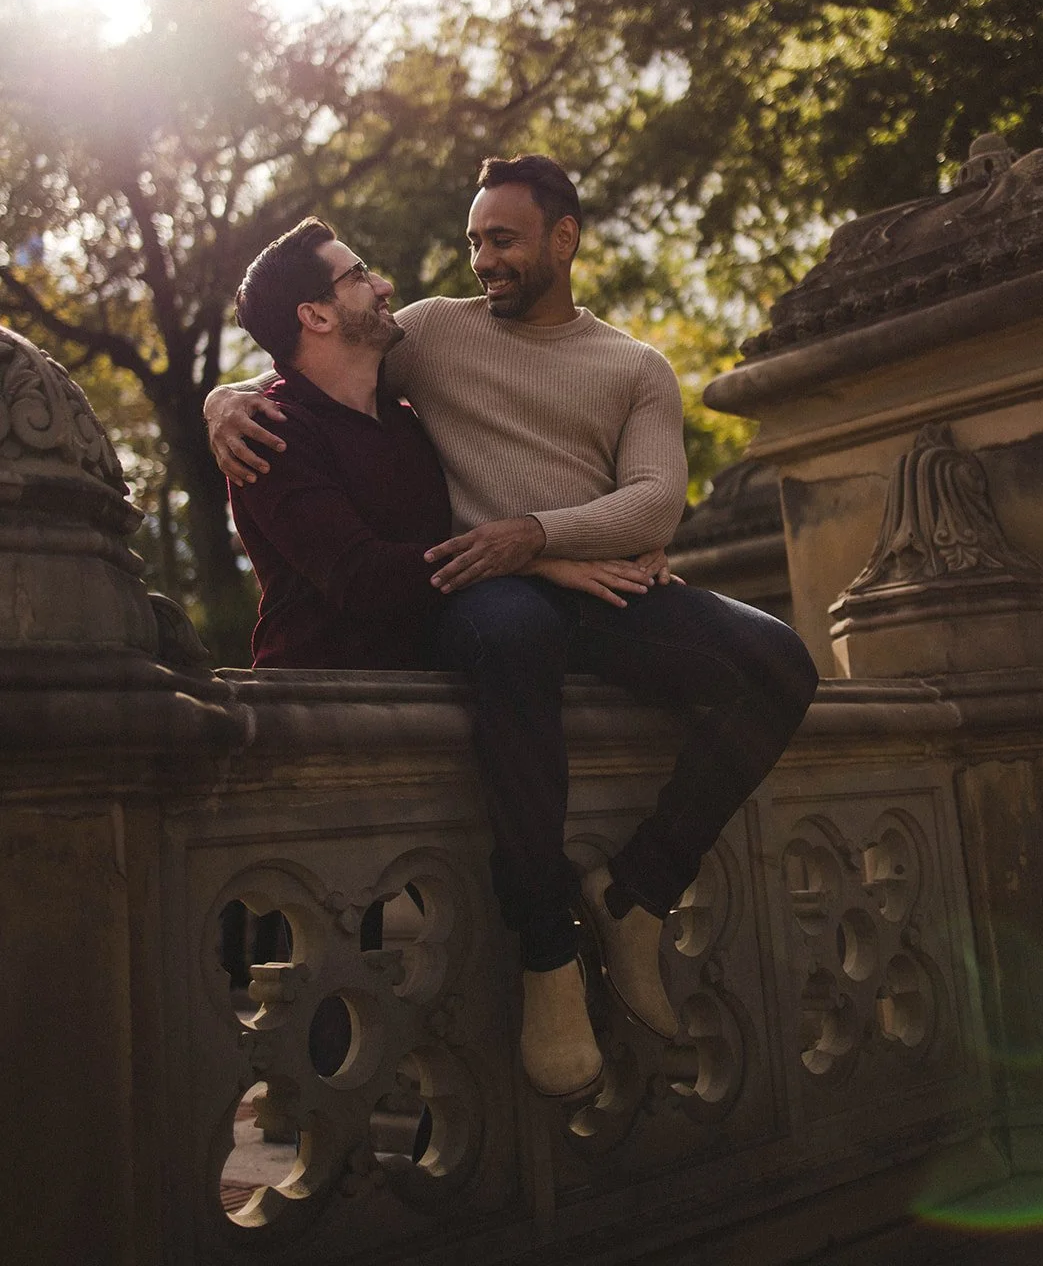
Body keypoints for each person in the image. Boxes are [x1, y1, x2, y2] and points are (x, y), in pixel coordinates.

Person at [207, 155, 819, 1100]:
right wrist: (221, 401)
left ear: (562, 239)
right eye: (473, 242)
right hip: (479, 607)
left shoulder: (632, 367)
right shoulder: (431, 339)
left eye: (503, 240)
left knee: (779, 662)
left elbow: (656, 504)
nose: (479, 260)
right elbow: (301, 357)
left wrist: (536, 538)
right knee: (508, 635)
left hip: (581, 584)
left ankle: (637, 892)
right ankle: (545, 948)